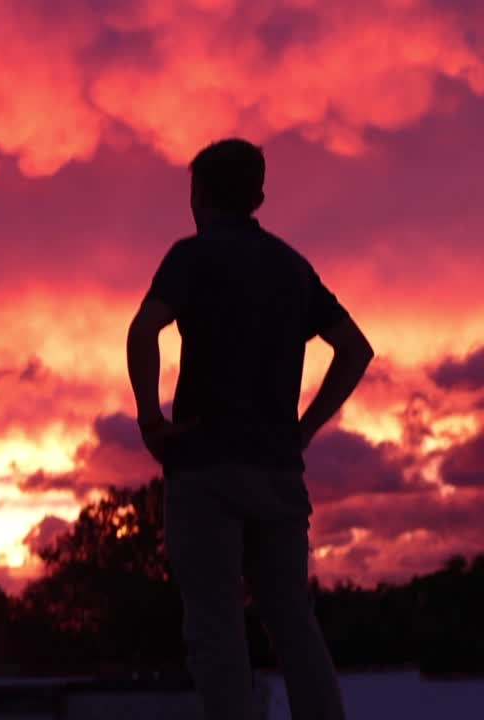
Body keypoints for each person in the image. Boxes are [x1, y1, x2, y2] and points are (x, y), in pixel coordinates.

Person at [126, 138, 373, 719]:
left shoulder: (192, 255)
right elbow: (355, 350)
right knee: (292, 618)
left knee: (215, 625)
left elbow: (144, 331)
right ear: (258, 196)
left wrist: (150, 420)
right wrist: (304, 430)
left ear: (198, 195)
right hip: (278, 471)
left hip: (206, 464)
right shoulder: (291, 266)